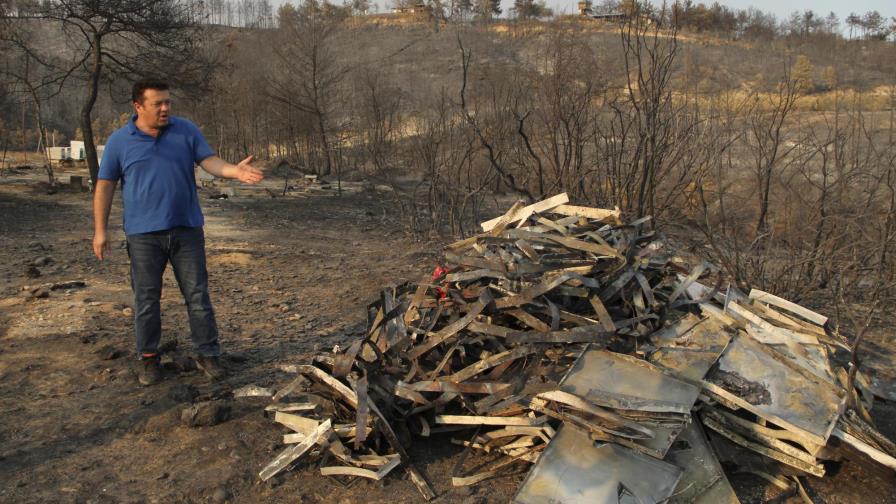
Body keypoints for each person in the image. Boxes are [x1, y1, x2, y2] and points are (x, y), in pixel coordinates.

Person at [92, 79, 263, 386]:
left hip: (186, 229)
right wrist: (100, 231)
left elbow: (209, 161)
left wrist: (234, 171)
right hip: (143, 236)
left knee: (198, 295)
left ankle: (207, 354)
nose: (165, 108)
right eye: (158, 103)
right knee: (146, 299)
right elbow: (105, 187)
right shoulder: (120, 141)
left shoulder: (185, 130)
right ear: (138, 106)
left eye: (168, 102)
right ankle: (149, 359)